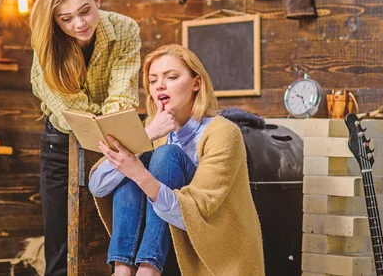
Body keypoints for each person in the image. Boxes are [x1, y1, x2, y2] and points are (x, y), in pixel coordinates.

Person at [88, 44, 265, 276]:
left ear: (196, 83)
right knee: (133, 161)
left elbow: (197, 212)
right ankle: (122, 268)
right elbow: (97, 186)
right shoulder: (152, 128)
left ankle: (147, 269)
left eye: (171, 77)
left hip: (214, 248)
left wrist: (139, 172)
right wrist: (146, 136)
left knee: (163, 156)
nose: (160, 85)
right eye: (153, 81)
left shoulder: (224, 132)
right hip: (171, 246)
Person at [29, 0, 141, 276]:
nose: (79, 24)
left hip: (115, 144)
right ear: (54, 20)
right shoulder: (47, 44)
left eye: (85, 11)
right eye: (66, 19)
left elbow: (123, 96)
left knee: (108, 239)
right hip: (61, 146)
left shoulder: (125, 29)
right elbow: (71, 114)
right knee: (61, 247)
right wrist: (110, 121)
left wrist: (110, 122)